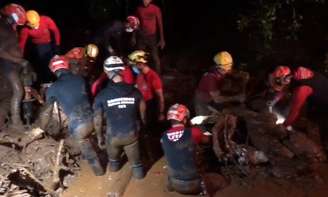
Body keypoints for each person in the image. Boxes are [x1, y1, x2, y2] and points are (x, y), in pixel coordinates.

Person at [39, 55, 104, 176]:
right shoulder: (80, 79)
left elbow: (46, 112)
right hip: (95, 118)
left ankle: (99, 173)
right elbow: (89, 96)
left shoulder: (53, 88)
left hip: (79, 126)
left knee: (86, 147)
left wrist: (41, 128)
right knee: (95, 138)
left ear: (53, 70)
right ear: (67, 66)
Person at [93, 56, 146, 179]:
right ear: (122, 70)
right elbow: (143, 114)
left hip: (113, 137)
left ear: (106, 72)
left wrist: (100, 137)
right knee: (138, 170)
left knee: (114, 165)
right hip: (131, 135)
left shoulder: (102, 95)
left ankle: (114, 173)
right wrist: (142, 129)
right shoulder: (135, 91)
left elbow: (97, 120)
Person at [161, 103, 210, 194]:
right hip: (195, 184)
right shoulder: (194, 132)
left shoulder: (163, 137)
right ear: (184, 119)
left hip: (174, 183)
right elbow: (207, 140)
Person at [0, 3, 29, 127]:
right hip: (8, 66)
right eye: (16, 20)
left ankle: (4, 121)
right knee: (18, 91)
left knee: (10, 94)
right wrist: (19, 61)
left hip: (13, 65)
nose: (16, 24)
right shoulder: (2, 27)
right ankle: (16, 123)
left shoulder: (9, 28)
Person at [194, 51, 244, 116]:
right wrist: (236, 97)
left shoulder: (223, 70)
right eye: (226, 68)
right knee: (205, 121)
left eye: (229, 67)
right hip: (203, 102)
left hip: (212, 100)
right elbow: (217, 99)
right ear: (218, 67)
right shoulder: (211, 77)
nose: (228, 69)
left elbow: (237, 75)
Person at [19, 10, 61, 84]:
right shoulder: (25, 30)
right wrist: (20, 56)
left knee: (56, 60)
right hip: (40, 46)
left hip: (51, 42)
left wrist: (57, 45)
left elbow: (56, 31)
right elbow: (22, 44)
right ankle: (47, 81)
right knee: (45, 63)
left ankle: (59, 78)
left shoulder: (46, 20)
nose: (36, 26)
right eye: (33, 25)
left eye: (37, 23)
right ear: (28, 23)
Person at [128, 50, 165, 122]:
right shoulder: (137, 74)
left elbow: (160, 97)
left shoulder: (153, 77)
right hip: (136, 104)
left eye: (133, 65)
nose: (132, 67)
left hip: (148, 106)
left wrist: (161, 113)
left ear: (140, 64)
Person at [136, 0, 165, 73]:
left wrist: (162, 39)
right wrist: (133, 36)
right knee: (140, 57)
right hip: (141, 36)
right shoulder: (139, 9)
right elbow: (136, 23)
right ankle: (141, 76)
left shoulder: (155, 8)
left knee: (155, 57)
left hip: (152, 36)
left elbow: (160, 24)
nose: (145, 1)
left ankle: (158, 75)